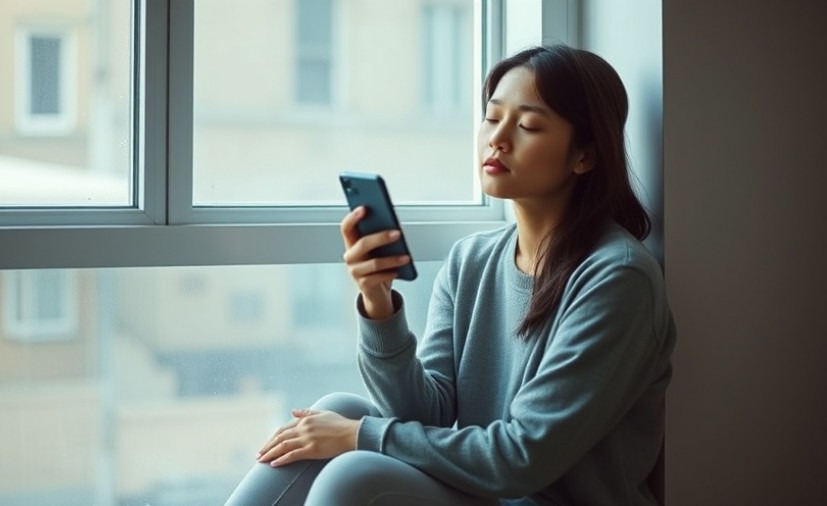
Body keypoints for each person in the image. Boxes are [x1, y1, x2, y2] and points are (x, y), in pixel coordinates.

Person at [224, 43, 676, 506]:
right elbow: (425, 417)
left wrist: (360, 437)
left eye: (527, 125)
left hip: (532, 495)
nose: (497, 138)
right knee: (335, 412)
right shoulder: (472, 260)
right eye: (491, 116)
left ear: (584, 156)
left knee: (353, 469)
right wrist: (378, 303)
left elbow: (521, 458)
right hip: (488, 492)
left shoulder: (617, 279)